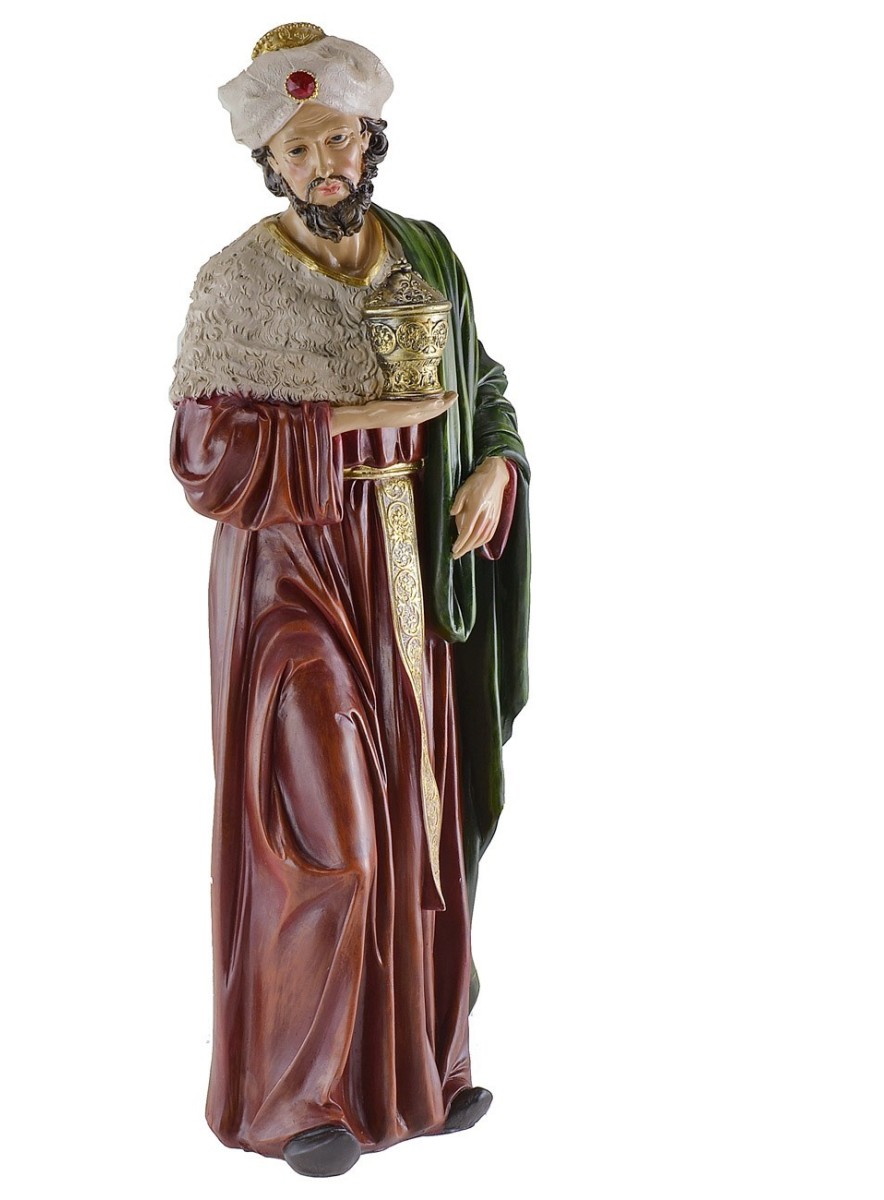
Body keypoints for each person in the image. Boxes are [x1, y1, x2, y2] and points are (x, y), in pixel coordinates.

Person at [168, 24, 531, 1177]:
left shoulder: (425, 255)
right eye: (300, 146)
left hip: (410, 577)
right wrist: (354, 426)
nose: (326, 163)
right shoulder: (236, 283)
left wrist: (493, 465)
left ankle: (419, 1073)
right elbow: (204, 458)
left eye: (340, 138)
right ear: (269, 161)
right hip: (295, 583)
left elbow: (482, 385)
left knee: (421, 820)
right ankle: (298, 1096)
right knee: (333, 837)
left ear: (372, 137)